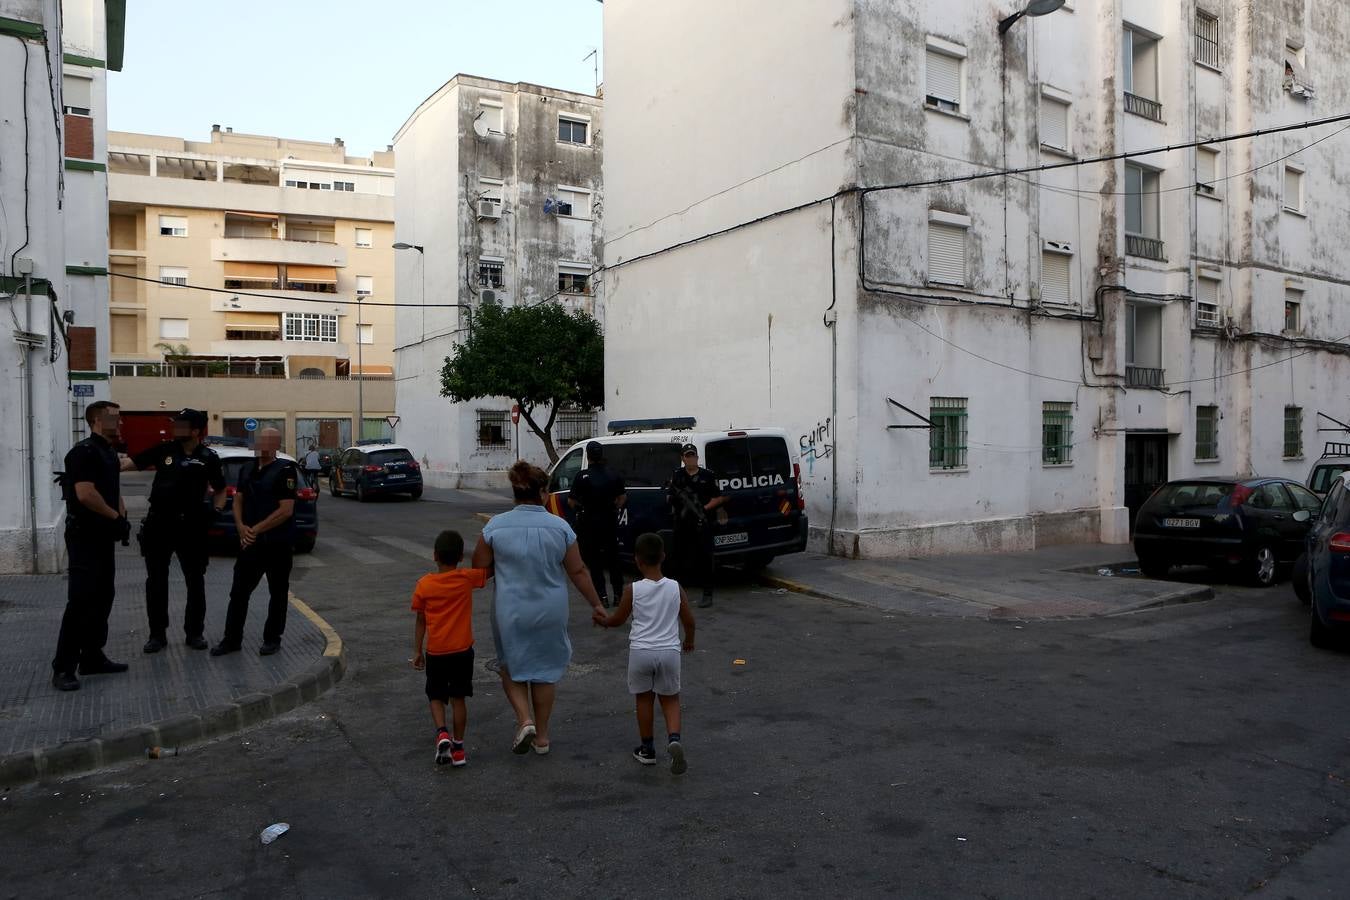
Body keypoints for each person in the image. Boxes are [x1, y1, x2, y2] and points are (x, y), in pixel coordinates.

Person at [471, 461, 607, 756]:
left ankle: (524, 719)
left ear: (515, 492)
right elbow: (579, 571)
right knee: (544, 671)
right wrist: (597, 604)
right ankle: (542, 738)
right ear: (544, 493)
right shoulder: (561, 527)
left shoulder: (495, 526)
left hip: (511, 609)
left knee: (510, 664)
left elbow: (480, 570)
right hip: (550, 609)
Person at [124, 408, 226, 653]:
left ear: (195, 431)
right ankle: (157, 635)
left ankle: (194, 633)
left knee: (195, 581)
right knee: (156, 582)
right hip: (160, 524)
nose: (175, 428)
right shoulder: (164, 450)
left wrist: (217, 511)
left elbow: (220, 489)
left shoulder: (208, 457)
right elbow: (130, 463)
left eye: (181, 425)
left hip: (192, 526)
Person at [598, 532, 695, 774]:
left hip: (641, 651)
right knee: (670, 699)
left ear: (637, 560)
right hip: (668, 651)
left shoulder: (633, 590)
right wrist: (689, 641)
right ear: (663, 556)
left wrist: (603, 620)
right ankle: (674, 739)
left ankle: (647, 749)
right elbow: (689, 621)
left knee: (644, 699)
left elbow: (619, 620)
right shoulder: (675, 587)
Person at [51, 401, 131, 691]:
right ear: (98, 419)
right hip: (84, 536)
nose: (120, 424)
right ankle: (63, 668)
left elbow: (113, 490)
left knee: (103, 597)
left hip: (103, 536)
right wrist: (114, 518)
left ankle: (93, 657)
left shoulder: (108, 452)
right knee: (81, 601)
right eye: (116, 419)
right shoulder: (82, 452)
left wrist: (122, 518)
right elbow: (85, 494)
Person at [211, 428, 298, 657]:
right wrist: (240, 526)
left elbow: (286, 510)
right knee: (238, 593)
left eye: (270, 441)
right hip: (251, 543)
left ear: (277, 445)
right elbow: (238, 498)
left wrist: (256, 530)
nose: (265, 445)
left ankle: (272, 639)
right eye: (262, 440)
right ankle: (231, 640)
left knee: (277, 594)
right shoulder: (247, 469)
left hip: (276, 544)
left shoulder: (285, 471)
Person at [411, 530, 488, 767]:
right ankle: (459, 748)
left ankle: (441, 732)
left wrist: (417, 651)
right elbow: (489, 570)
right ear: (460, 558)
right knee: (458, 699)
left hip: (436, 651)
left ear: (435, 556)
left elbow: (421, 620)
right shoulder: (466, 578)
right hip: (463, 650)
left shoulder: (424, 584)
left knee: (435, 694)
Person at [666, 443, 726, 608]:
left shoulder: (708, 476)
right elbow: (669, 496)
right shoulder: (677, 475)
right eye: (687, 456)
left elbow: (718, 498)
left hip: (701, 522)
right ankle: (677, 595)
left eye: (693, 456)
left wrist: (703, 509)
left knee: (705, 558)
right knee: (678, 557)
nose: (691, 459)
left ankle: (707, 594)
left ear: (697, 458)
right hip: (682, 523)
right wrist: (677, 500)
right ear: (683, 459)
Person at [568, 440, 627, 607]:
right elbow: (622, 497)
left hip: (589, 524)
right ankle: (618, 595)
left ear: (588, 456)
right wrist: (613, 507)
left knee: (594, 562)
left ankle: (602, 597)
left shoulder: (582, 476)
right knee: (614, 559)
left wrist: (582, 507)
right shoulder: (613, 474)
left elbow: (572, 502)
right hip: (609, 521)